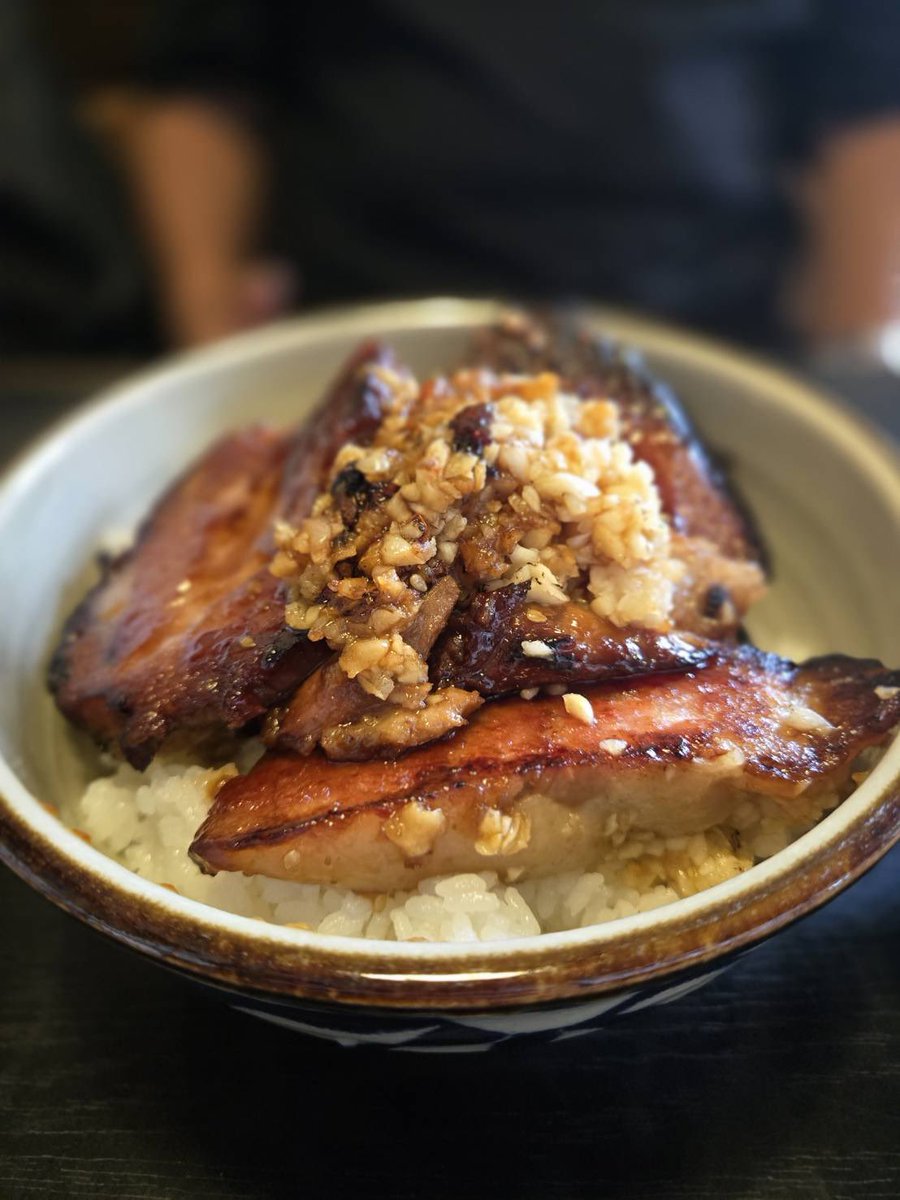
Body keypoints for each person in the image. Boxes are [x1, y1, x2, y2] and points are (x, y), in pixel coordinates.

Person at [121, 0, 900, 362]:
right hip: (359, 324)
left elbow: (869, 109)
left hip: (708, 326)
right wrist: (205, 293)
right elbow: (196, 86)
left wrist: (855, 339)